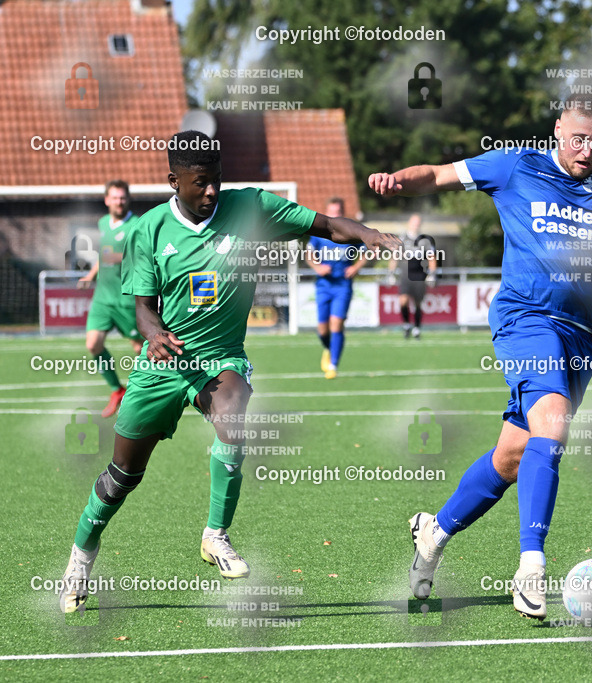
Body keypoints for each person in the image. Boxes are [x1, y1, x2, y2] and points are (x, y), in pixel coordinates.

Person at [369, 92, 592, 619]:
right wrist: (398, 180)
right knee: (552, 424)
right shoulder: (515, 165)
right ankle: (531, 568)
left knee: (514, 455)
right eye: (578, 138)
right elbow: (439, 175)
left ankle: (433, 532)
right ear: (558, 128)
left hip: (579, 337)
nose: (586, 151)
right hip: (524, 320)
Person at [58, 130, 400, 613]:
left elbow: (326, 226)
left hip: (220, 356)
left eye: (217, 181)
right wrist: (154, 336)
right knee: (122, 477)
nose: (212, 192)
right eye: (201, 184)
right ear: (174, 180)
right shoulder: (148, 230)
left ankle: (216, 534)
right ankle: (81, 556)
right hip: (164, 364)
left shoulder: (252, 207)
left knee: (234, 406)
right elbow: (142, 308)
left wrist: (370, 235)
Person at [77, 180, 145, 417]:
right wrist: (91, 275)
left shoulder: (137, 225)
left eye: (123, 197)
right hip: (102, 299)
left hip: (126, 299)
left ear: (129, 199)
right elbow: (102, 256)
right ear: (107, 200)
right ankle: (117, 390)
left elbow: (141, 256)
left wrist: (116, 256)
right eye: (115, 197)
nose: (119, 201)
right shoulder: (103, 223)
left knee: (141, 349)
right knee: (93, 344)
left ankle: (140, 393)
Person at [305, 197, 366, 379]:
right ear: (327, 213)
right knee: (323, 330)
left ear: (342, 212)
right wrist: (317, 267)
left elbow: (365, 253)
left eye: (337, 212)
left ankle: (333, 365)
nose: (334, 215)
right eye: (331, 212)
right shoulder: (319, 233)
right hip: (323, 285)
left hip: (343, 286)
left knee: (337, 324)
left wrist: (355, 267)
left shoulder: (350, 231)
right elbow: (309, 254)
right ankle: (328, 348)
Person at [388, 213, 437, 339]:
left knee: (418, 304)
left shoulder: (425, 240)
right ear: (409, 223)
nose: (415, 225)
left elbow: (432, 258)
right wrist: (391, 273)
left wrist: (432, 274)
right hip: (405, 275)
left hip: (419, 275)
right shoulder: (402, 239)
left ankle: (416, 328)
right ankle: (406, 324)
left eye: (418, 223)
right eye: (413, 223)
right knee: (403, 301)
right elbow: (394, 256)